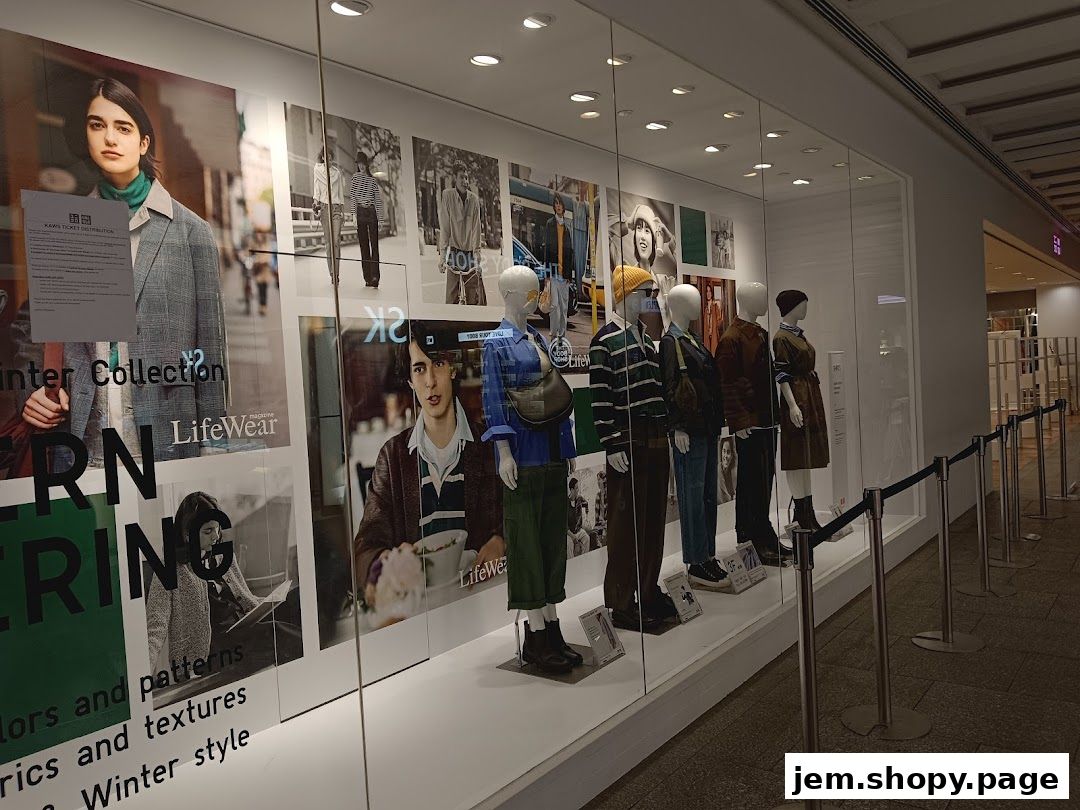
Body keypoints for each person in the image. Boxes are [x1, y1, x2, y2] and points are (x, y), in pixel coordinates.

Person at [14, 77, 226, 470]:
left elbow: (209, 355)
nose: (109, 137)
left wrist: (212, 450)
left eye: (123, 127)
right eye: (98, 125)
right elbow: (35, 337)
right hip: (83, 443)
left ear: (144, 142)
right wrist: (32, 392)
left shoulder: (190, 231)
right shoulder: (69, 226)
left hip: (166, 439)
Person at [353, 321, 504, 615]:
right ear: (410, 380)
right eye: (419, 369)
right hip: (421, 614)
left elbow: (515, 510)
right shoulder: (394, 456)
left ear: (454, 368)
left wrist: (501, 541)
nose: (430, 381)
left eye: (438, 364)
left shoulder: (488, 444)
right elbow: (367, 542)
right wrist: (386, 563)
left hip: (484, 602)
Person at [145, 492, 260, 670]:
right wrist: (142, 673)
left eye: (218, 528)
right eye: (208, 531)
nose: (216, 537)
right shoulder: (169, 569)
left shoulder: (223, 555)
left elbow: (245, 597)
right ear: (187, 534)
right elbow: (156, 626)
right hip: (210, 653)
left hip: (243, 633)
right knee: (279, 633)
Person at [437, 162, 486, 305]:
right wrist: (442, 256)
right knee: (451, 297)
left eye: (466, 178)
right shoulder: (447, 196)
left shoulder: (474, 200)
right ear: (454, 178)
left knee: (474, 298)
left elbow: (477, 228)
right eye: (461, 178)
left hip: (470, 252)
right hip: (454, 251)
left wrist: (477, 254)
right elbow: (445, 227)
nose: (465, 181)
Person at [541, 193, 575, 342]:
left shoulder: (567, 228)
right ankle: (554, 334)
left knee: (564, 308)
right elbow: (547, 249)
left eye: (560, 203)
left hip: (564, 274)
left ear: (563, 206)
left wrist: (570, 276)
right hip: (553, 273)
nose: (558, 206)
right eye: (556, 203)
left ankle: (561, 336)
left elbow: (571, 253)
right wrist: (547, 273)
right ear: (554, 207)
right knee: (554, 306)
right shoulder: (549, 224)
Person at [312, 133, 346, 285]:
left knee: (336, 241)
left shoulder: (337, 173)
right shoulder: (317, 170)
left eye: (332, 157)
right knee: (328, 243)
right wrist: (315, 203)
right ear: (323, 158)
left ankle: (337, 274)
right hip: (325, 209)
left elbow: (340, 194)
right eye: (327, 157)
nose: (330, 160)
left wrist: (343, 212)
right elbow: (316, 190)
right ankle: (331, 272)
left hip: (337, 209)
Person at [349, 151, 386, 289]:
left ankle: (375, 277)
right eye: (359, 163)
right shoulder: (354, 178)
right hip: (360, 212)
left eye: (363, 163)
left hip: (371, 213)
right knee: (364, 246)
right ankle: (367, 277)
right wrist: (353, 216)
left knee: (374, 246)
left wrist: (380, 219)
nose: (361, 166)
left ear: (366, 164)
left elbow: (377, 200)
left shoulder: (372, 180)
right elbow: (352, 197)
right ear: (357, 164)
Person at [566, 477, 590, 558]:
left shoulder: (579, 499)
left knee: (587, 538)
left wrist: (587, 517)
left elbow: (586, 504)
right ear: (571, 490)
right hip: (569, 533)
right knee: (569, 544)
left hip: (579, 531)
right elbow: (564, 526)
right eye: (576, 488)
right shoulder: (565, 503)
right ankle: (572, 565)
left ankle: (584, 560)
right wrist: (573, 537)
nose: (578, 490)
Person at [718, 436, 737, 504]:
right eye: (724, 451)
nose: (725, 456)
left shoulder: (732, 470)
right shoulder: (718, 470)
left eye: (728, 452)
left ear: (732, 455)